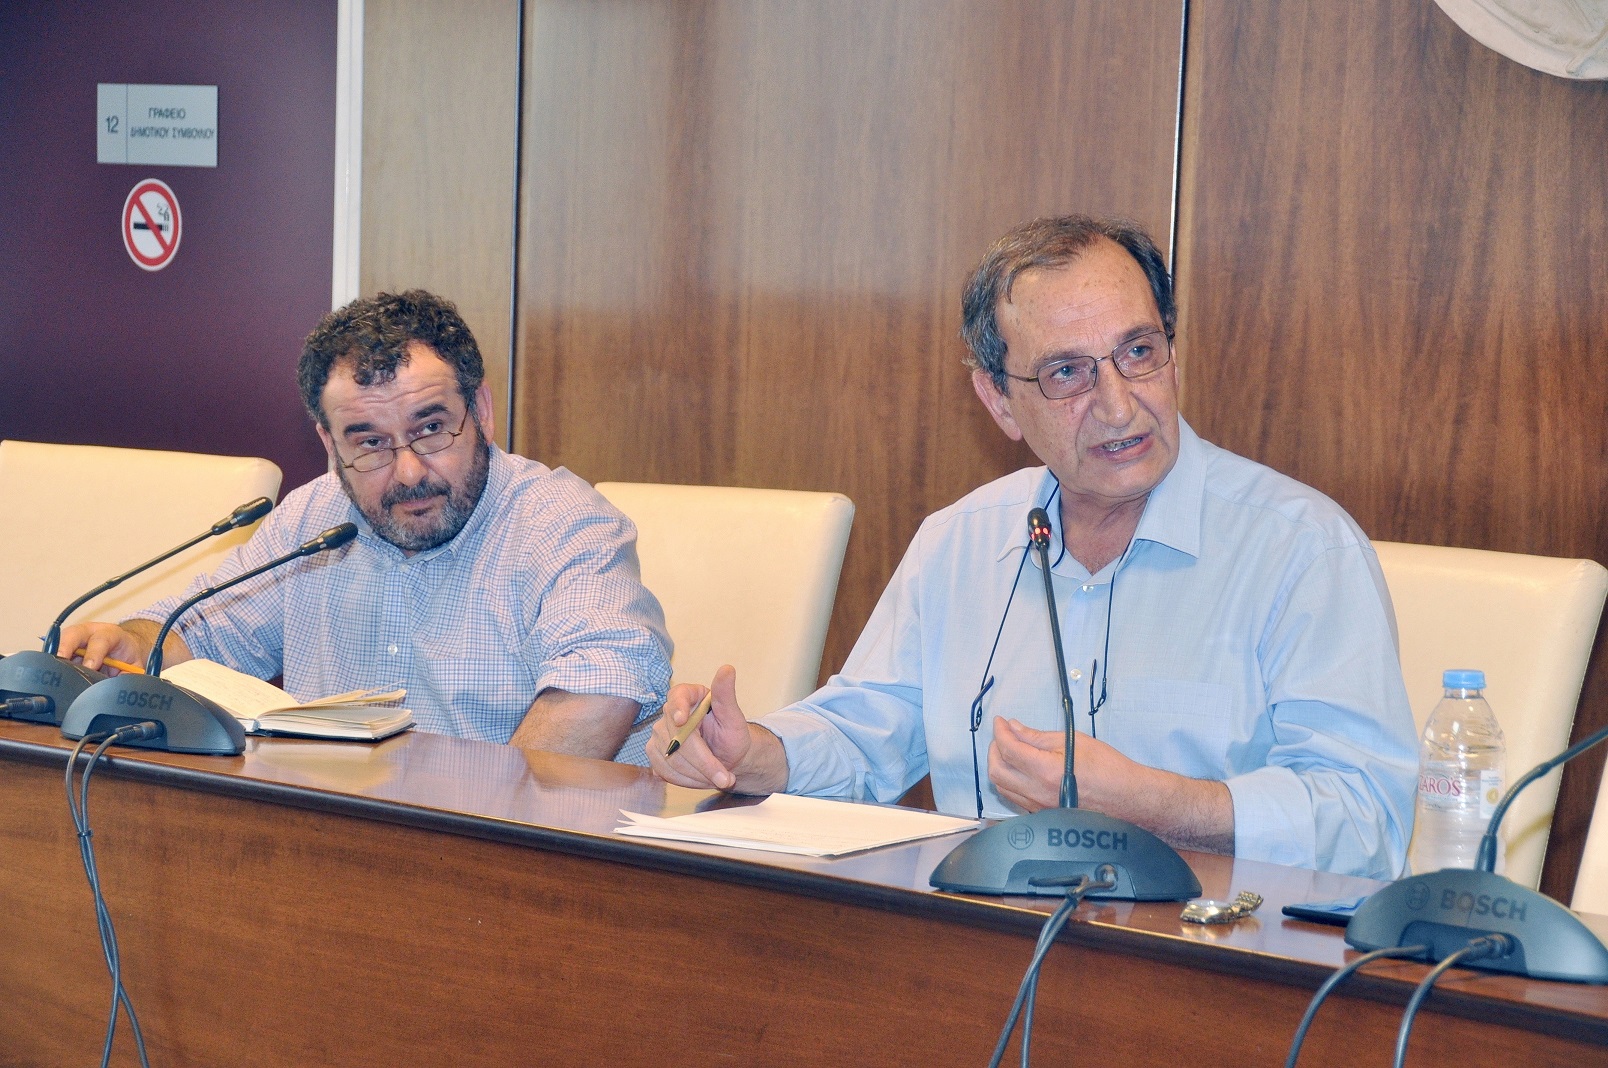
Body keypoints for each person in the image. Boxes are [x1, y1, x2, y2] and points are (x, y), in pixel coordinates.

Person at [649, 215, 1417, 879]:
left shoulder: (1300, 550)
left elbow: (1366, 818)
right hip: (986, 946)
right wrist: (753, 754)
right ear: (1000, 401)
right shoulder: (962, 542)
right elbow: (867, 730)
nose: (1119, 404)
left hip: (1208, 960)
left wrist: (1156, 804)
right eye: (1067, 373)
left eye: (1139, 351)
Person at [66, 290, 672, 757]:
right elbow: (198, 638)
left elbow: (599, 692)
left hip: (504, 854)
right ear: (330, 444)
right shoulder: (312, 521)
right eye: (371, 443)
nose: (408, 472)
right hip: (340, 843)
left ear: (481, 412)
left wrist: (472, 842)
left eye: (431, 429)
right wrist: (135, 643)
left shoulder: (562, 524)